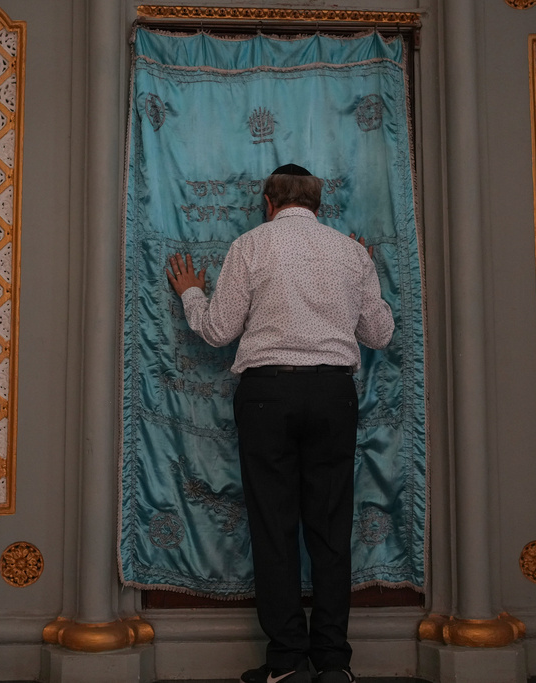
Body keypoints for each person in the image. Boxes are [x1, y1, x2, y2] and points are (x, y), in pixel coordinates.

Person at [166, 164, 394, 683]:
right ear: (318, 204)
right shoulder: (350, 252)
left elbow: (219, 331)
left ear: (268, 203)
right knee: (331, 527)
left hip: (267, 395)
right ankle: (333, 663)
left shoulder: (249, 246)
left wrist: (190, 293)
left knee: (274, 527)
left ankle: (287, 660)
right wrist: (365, 279)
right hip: (333, 394)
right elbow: (380, 334)